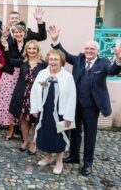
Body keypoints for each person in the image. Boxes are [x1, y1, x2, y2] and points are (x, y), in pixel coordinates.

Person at [48, 25, 121, 176]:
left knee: (90, 134)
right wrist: (56, 41)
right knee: (74, 130)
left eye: (92, 49)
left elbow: (113, 70)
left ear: (97, 51)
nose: (88, 51)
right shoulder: (80, 59)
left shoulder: (104, 62)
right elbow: (65, 55)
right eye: (87, 48)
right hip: (75, 104)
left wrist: (119, 60)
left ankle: (87, 163)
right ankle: (74, 156)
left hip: (92, 106)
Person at [0, 17, 46, 141]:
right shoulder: (9, 42)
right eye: (16, 32)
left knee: (24, 102)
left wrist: (40, 22)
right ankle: (11, 129)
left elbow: (42, 35)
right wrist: (5, 47)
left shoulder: (30, 44)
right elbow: (7, 57)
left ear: (24, 33)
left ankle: (24, 132)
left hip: (25, 75)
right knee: (10, 102)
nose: (18, 34)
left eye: (20, 32)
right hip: (10, 75)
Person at [30, 49, 76, 175]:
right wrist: (35, 108)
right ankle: (48, 157)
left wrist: (69, 116)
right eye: (50, 59)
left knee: (59, 136)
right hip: (45, 111)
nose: (53, 61)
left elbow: (72, 97)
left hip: (61, 112)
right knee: (46, 134)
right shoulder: (43, 74)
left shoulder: (67, 77)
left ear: (61, 61)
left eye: (56, 59)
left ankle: (59, 161)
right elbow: (36, 90)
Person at [5, 40, 47, 154]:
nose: (32, 51)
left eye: (34, 49)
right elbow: (9, 60)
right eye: (29, 48)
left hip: (36, 96)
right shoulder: (23, 62)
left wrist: (43, 90)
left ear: (37, 50)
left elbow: (45, 81)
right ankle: (25, 140)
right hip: (23, 95)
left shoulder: (43, 64)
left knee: (34, 121)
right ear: (26, 50)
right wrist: (6, 47)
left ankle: (33, 142)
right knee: (23, 119)